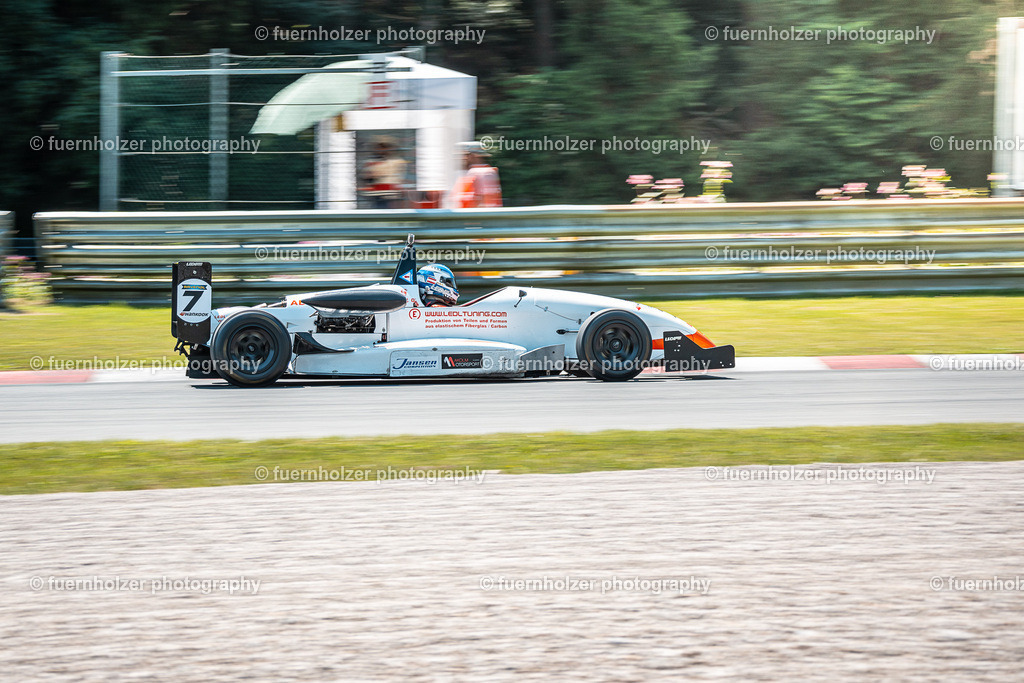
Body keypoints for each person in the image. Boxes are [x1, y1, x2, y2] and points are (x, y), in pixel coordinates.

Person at [448, 141, 502, 208]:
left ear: (472, 156)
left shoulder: (483, 173)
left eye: (463, 155)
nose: (460, 159)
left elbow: (485, 202)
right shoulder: (470, 173)